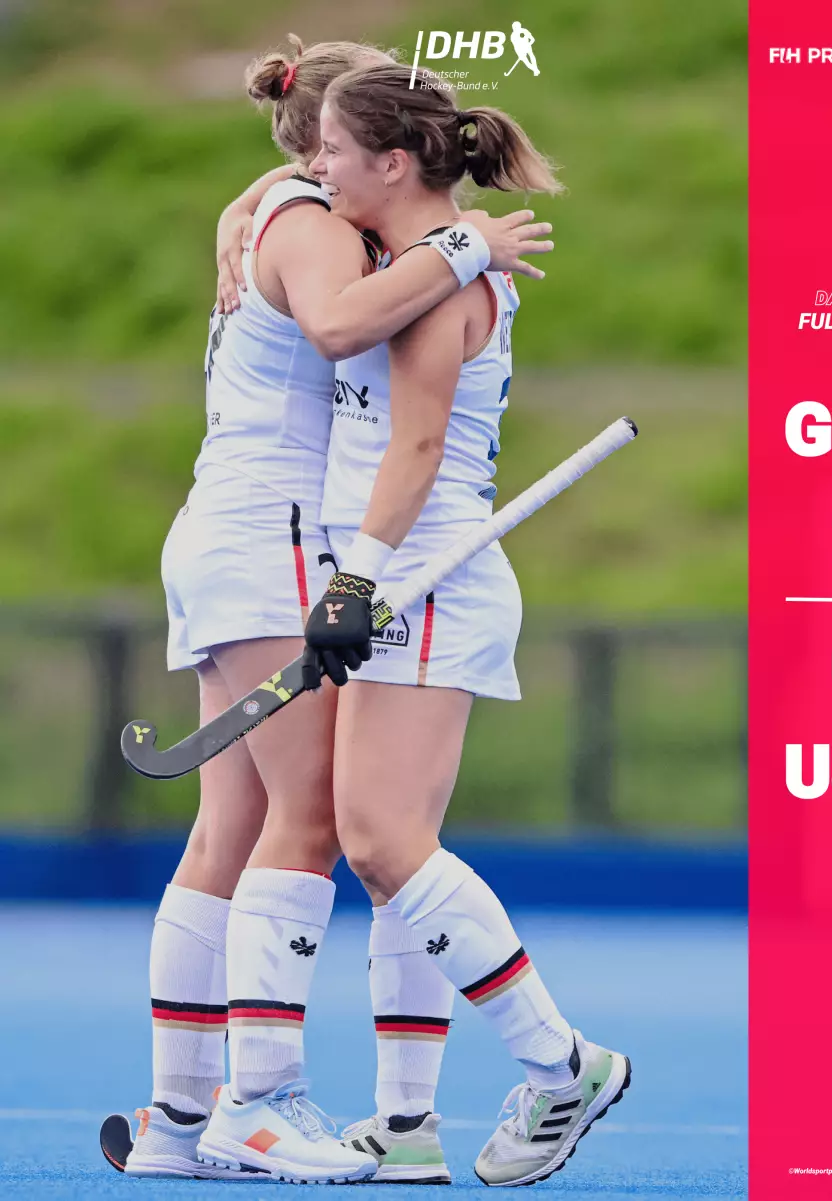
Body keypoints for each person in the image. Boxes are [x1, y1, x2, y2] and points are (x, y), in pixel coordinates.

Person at [102, 37, 554, 1185]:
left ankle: (175, 1121)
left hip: (229, 533)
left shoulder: (278, 206)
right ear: (337, 147)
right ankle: (260, 1102)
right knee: (307, 822)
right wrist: (467, 243)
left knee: (230, 830)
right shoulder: (314, 226)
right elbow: (344, 328)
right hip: (272, 541)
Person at [259, 63, 631, 1188]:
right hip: (402, 574)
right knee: (393, 861)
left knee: (381, 842)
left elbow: (418, 444)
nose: (316, 166)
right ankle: (406, 1122)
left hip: (423, 576)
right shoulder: (419, 262)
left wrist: (358, 581)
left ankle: (563, 1064)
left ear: (392, 162)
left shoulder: (439, 280)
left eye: (331, 148)